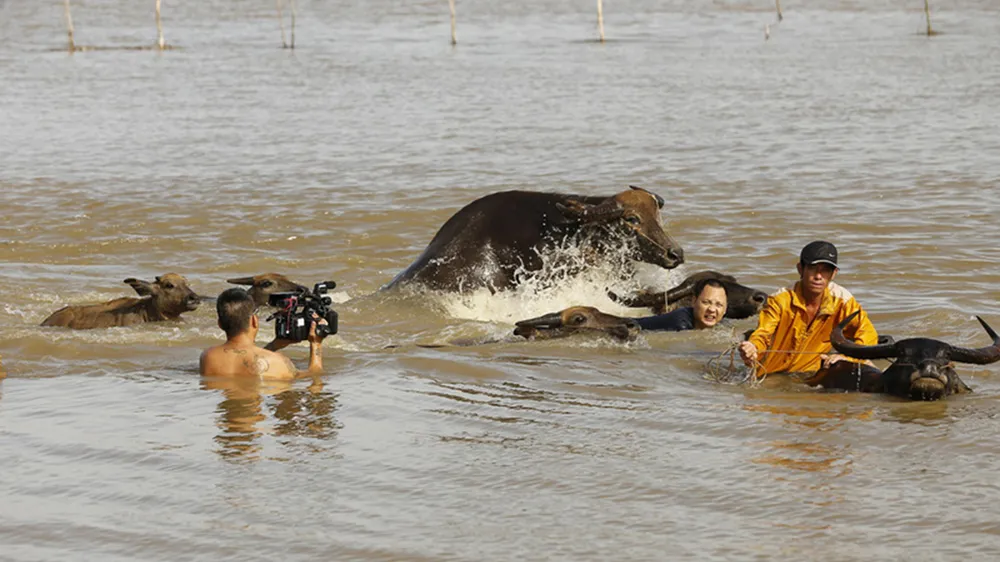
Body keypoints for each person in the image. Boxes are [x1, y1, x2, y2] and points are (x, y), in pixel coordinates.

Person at [738, 240, 878, 377]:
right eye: (812, 268)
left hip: (810, 376)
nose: (818, 276)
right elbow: (763, 334)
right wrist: (752, 348)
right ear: (800, 269)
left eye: (825, 270)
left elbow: (868, 335)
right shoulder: (780, 300)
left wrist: (847, 357)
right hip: (771, 375)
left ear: (834, 273)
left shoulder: (843, 301)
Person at [200, 287, 327, 380]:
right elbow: (314, 376)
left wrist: (273, 346)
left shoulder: (207, 357)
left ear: (220, 324)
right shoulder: (279, 362)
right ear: (254, 321)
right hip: (256, 415)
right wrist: (316, 343)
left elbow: (242, 361)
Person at [636, 278, 729, 332]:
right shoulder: (680, 323)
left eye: (719, 305)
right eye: (706, 302)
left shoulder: (722, 324)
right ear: (693, 301)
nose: (712, 309)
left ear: (725, 309)